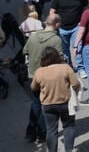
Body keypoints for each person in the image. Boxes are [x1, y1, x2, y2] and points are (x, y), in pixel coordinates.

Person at [31, 47, 80, 152]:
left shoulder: (39, 71)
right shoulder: (65, 68)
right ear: (57, 56)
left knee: (51, 130)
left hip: (48, 105)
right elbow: (76, 84)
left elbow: (33, 88)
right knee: (69, 126)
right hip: (65, 104)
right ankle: (69, 150)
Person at [23, 14, 62, 143]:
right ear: (56, 24)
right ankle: (41, 133)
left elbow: (25, 51)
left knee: (35, 104)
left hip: (33, 76)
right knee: (45, 106)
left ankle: (30, 133)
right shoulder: (56, 40)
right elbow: (60, 60)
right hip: (48, 78)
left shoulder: (34, 36)